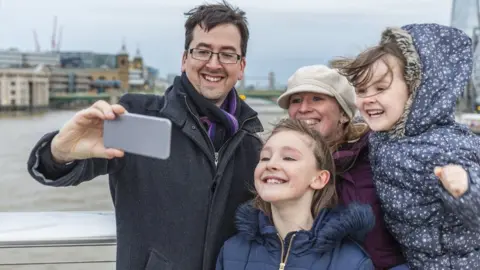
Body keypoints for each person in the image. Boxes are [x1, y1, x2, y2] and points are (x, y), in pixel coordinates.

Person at [26, 1, 264, 270]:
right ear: (184, 59)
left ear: (241, 66)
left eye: (227, 54)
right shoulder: (137, 117)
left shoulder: (252, 144)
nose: (213, 63)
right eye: (203, 51)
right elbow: (57, 169)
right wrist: (58, 152)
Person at [335, 23, 480, 269]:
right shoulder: (384, 137)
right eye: (361, 90)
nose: (368, 98)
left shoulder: (445, 144)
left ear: (416, 91)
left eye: (381, 88)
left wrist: (466, 189)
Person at [276, 65, 406, 269]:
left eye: (317, 98)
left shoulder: (377, 160)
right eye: (296, 100)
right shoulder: (276, 165)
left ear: (345, 114)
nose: (303, 108)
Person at [216, 118, 375, 269]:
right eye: (265, 157)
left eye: (289, 158)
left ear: (319, 178)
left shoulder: (352, 262)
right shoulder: (232, 251)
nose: (271, 164)